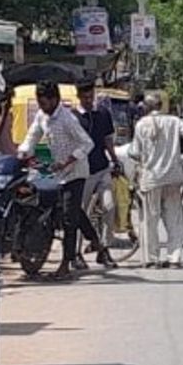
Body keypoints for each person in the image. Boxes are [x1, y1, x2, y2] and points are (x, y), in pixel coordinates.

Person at [17, 80, 114, 281]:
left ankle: (65, 263)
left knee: (69, 219)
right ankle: (96, 242)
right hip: (58, 173)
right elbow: (32, 136)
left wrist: (68, 160)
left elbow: (87, 143)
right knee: (74, 211)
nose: (42, 106)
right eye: (39, 102)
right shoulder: (42, 116)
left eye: (44, 102)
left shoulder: (68, 119)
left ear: (55, 100)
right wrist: (23, 152)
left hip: (76, 171)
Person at [128, 92, 183, 269]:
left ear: (146, 107)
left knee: (150, 220)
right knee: (174, 218)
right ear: (161, 106)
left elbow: (134, 152)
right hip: (173, 176)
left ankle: (152, 259)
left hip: (152, 178)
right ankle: (174, 258)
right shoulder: (174, 121)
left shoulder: (141, 124)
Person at [75, 81, 122, 265]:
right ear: (79, 97)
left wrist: (115, 160)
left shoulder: (103, 114)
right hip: (82, 172)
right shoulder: (73, 118)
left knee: (109, 207)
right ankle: (76, 253)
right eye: (85, 97)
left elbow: (107, 140)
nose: (88, 101)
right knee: (80, 214)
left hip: (102, 168)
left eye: (91, 97)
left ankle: (104, 249)